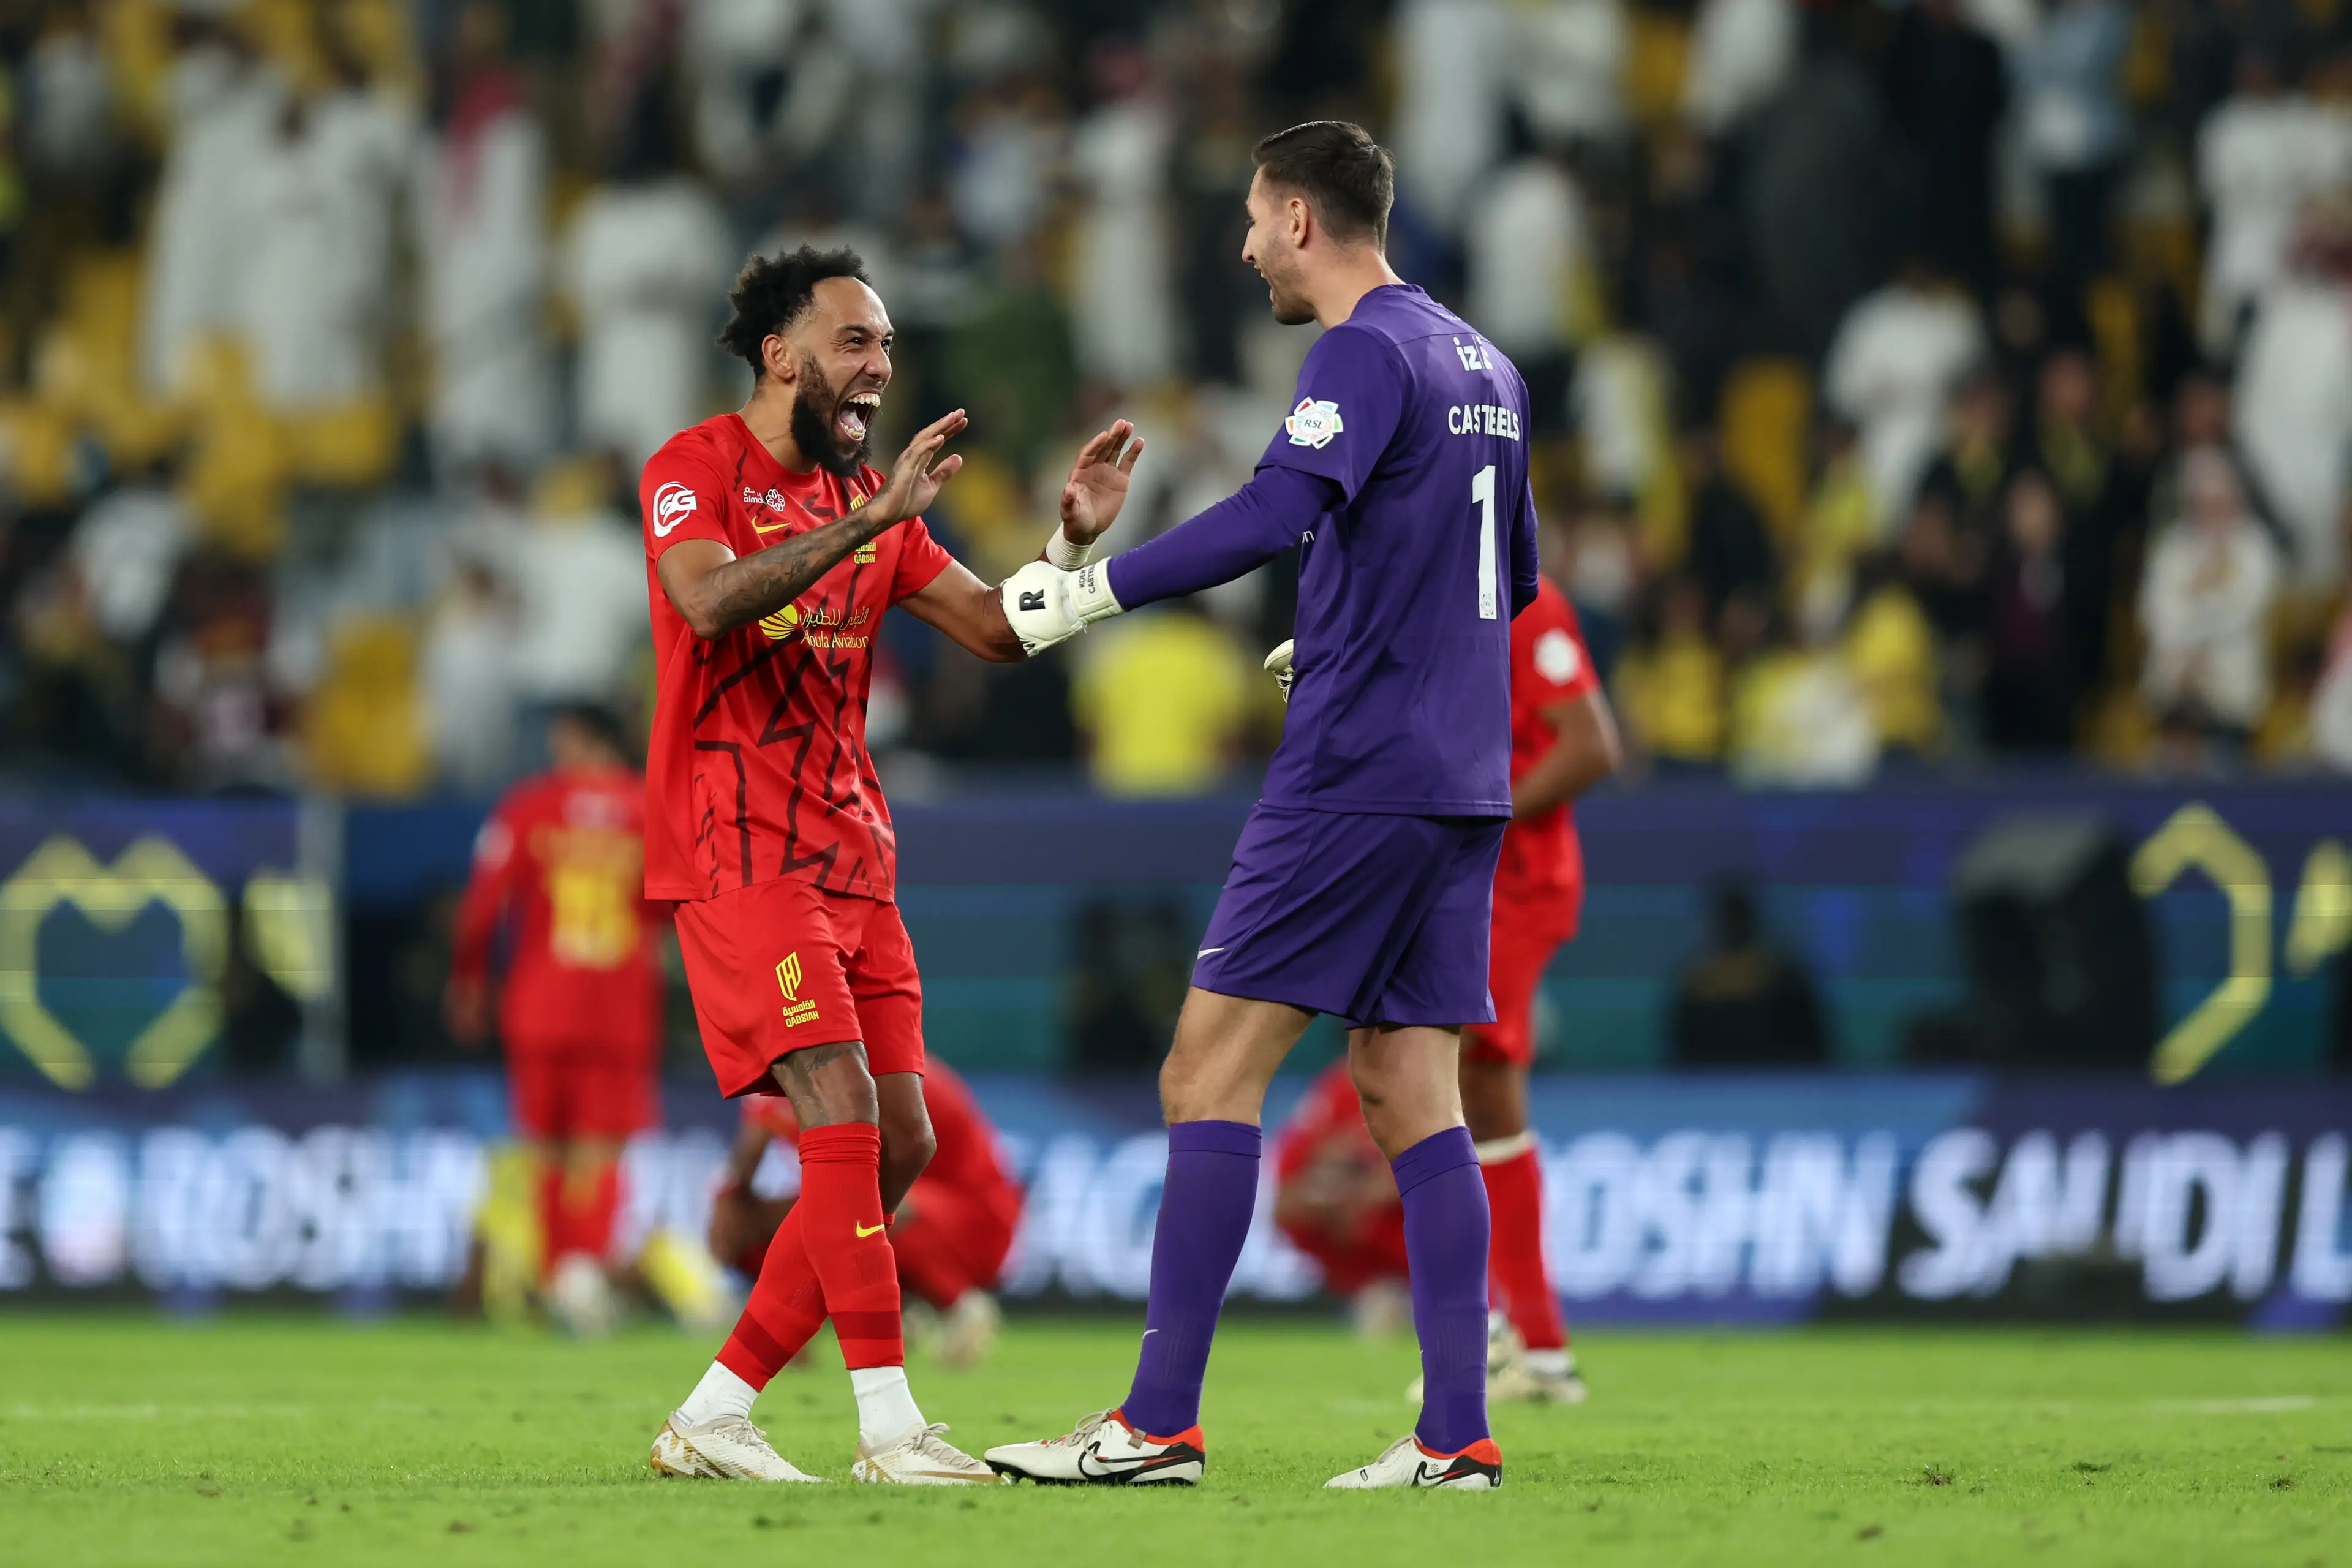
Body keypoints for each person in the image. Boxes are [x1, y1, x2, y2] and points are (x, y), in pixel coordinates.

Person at [984, 120, 1538, 1491]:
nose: (1241, 245)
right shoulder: (1487, 363)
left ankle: (1158, 1419)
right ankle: (1455, 1433)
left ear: (1302, 218)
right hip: (1466, 770)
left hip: (1359, 769)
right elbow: (1505, 580)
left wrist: (1087, 592)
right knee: (1413, 1086)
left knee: (1205, 1068)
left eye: (1250, 217)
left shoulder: (1357, 350)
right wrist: (1344, 627)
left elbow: (1271, 511)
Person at [639, 243, 1140, 1487]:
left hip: (854, 853)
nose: (881, 367)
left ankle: (716, 1408)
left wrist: (1069, 552)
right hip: (737, 843)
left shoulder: (877, 505)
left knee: (901, 1138)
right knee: (843, 1111)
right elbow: (704, 605)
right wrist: (870, 519)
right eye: (857, 342)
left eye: (888, 347)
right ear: (780, 353)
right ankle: (889, 1426)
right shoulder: (693, 469)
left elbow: (994, 628)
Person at [445, 703, 662, 1338]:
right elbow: (685, 906)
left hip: (539, 1004)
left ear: (577, 738)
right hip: (619, 1006)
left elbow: (483, 905)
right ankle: (584, 1274)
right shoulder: (651, 809)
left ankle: (558, 1273)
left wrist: (468, 980)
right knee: (599, 1150)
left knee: (544, 1148)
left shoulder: (528, 807)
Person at [707, 1058, 1020, 1370]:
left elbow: (881, 1170)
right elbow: (746, 1163)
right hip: (904, 1199)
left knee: (869, 1207)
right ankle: (782, 1328)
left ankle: (959, 1306)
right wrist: (729, 1202)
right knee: (755, 1222)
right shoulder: (787, 1069)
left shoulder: (882, 1073)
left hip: (976, 1218)